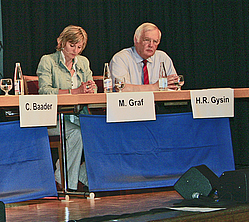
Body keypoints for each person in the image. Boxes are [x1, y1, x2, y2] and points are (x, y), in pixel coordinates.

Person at [36, 25, 96, 191]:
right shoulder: (48, 61)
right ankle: (66, 183)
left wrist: (91, 88)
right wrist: (74, 91)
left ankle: (82, 177)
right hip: (52, 119)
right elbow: (44, 91)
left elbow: (92, 89)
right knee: (76, 133)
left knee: (103, 132)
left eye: (79, 47)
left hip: (79, 115)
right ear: (61, 42)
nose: (75, 50)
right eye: (72, 45)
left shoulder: (83, 62)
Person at [109, 22, 179, 91]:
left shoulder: (163, 58)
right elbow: (121, 89)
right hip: (131, 102)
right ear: (136, 40)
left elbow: (174, 86)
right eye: (147, 40)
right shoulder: (120, 58)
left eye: (155, 41)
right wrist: (155, 87)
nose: (151, 45)